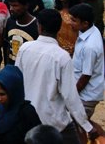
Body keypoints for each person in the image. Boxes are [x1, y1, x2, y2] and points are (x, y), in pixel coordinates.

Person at [15, 9, 99, 142]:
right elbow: (70, 96)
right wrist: (87, 126)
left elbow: (16, 81)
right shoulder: (61, 56)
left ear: (39, 26)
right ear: (59, 28)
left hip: (27, 118)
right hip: (54, 121)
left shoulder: (25, 48)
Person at [69, 3, 104, 132]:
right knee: (82, 125)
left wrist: (72, 94)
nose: (70, 22)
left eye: (73, 20)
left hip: (86, 96)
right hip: (85, 93)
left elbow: (86, 75)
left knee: (79, 127)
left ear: (85, 23)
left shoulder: (90, 46)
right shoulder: (90, 30)